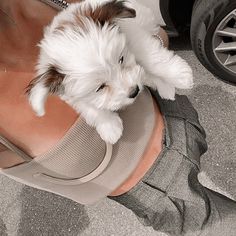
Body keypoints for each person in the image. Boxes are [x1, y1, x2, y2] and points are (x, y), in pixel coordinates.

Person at [0, 1, 235, 235]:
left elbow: (149, 31)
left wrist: (144, 55)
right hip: (165, 172)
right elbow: (157, 35)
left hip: (169, 137)